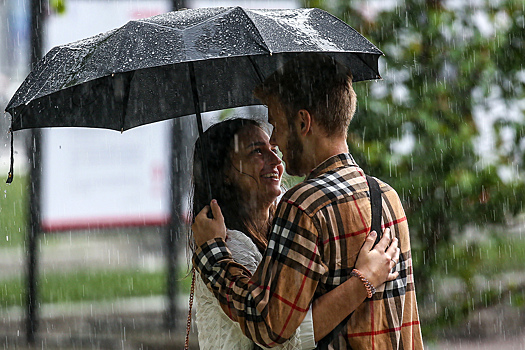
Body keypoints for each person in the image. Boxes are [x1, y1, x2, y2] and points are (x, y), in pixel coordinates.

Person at [192, 53, 424, 349]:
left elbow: (269, 329)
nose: (274, 142)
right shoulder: (386, 196)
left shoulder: (304, 206)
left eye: (276, 124)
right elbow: (407, 325)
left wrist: (212, 256)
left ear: (303, 122)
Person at [191, 118, 399, 350]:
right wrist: (364, 281)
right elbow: (281, 339)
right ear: (224, 173)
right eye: (257, 152)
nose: (276, 161)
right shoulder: (231, 246)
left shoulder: (287, 224)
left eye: (273, 149)